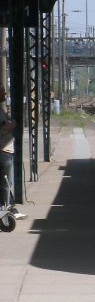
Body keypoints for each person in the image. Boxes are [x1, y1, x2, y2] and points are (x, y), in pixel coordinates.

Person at [0, 85, 26, 220]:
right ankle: (5, 213)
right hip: (3, 152)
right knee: (5, 184)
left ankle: (9, 209)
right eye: (2, 90)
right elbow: (3, 128)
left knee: (6, 184)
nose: (5, 93)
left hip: (6, 152)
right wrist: (11, 125)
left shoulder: (1, 109)